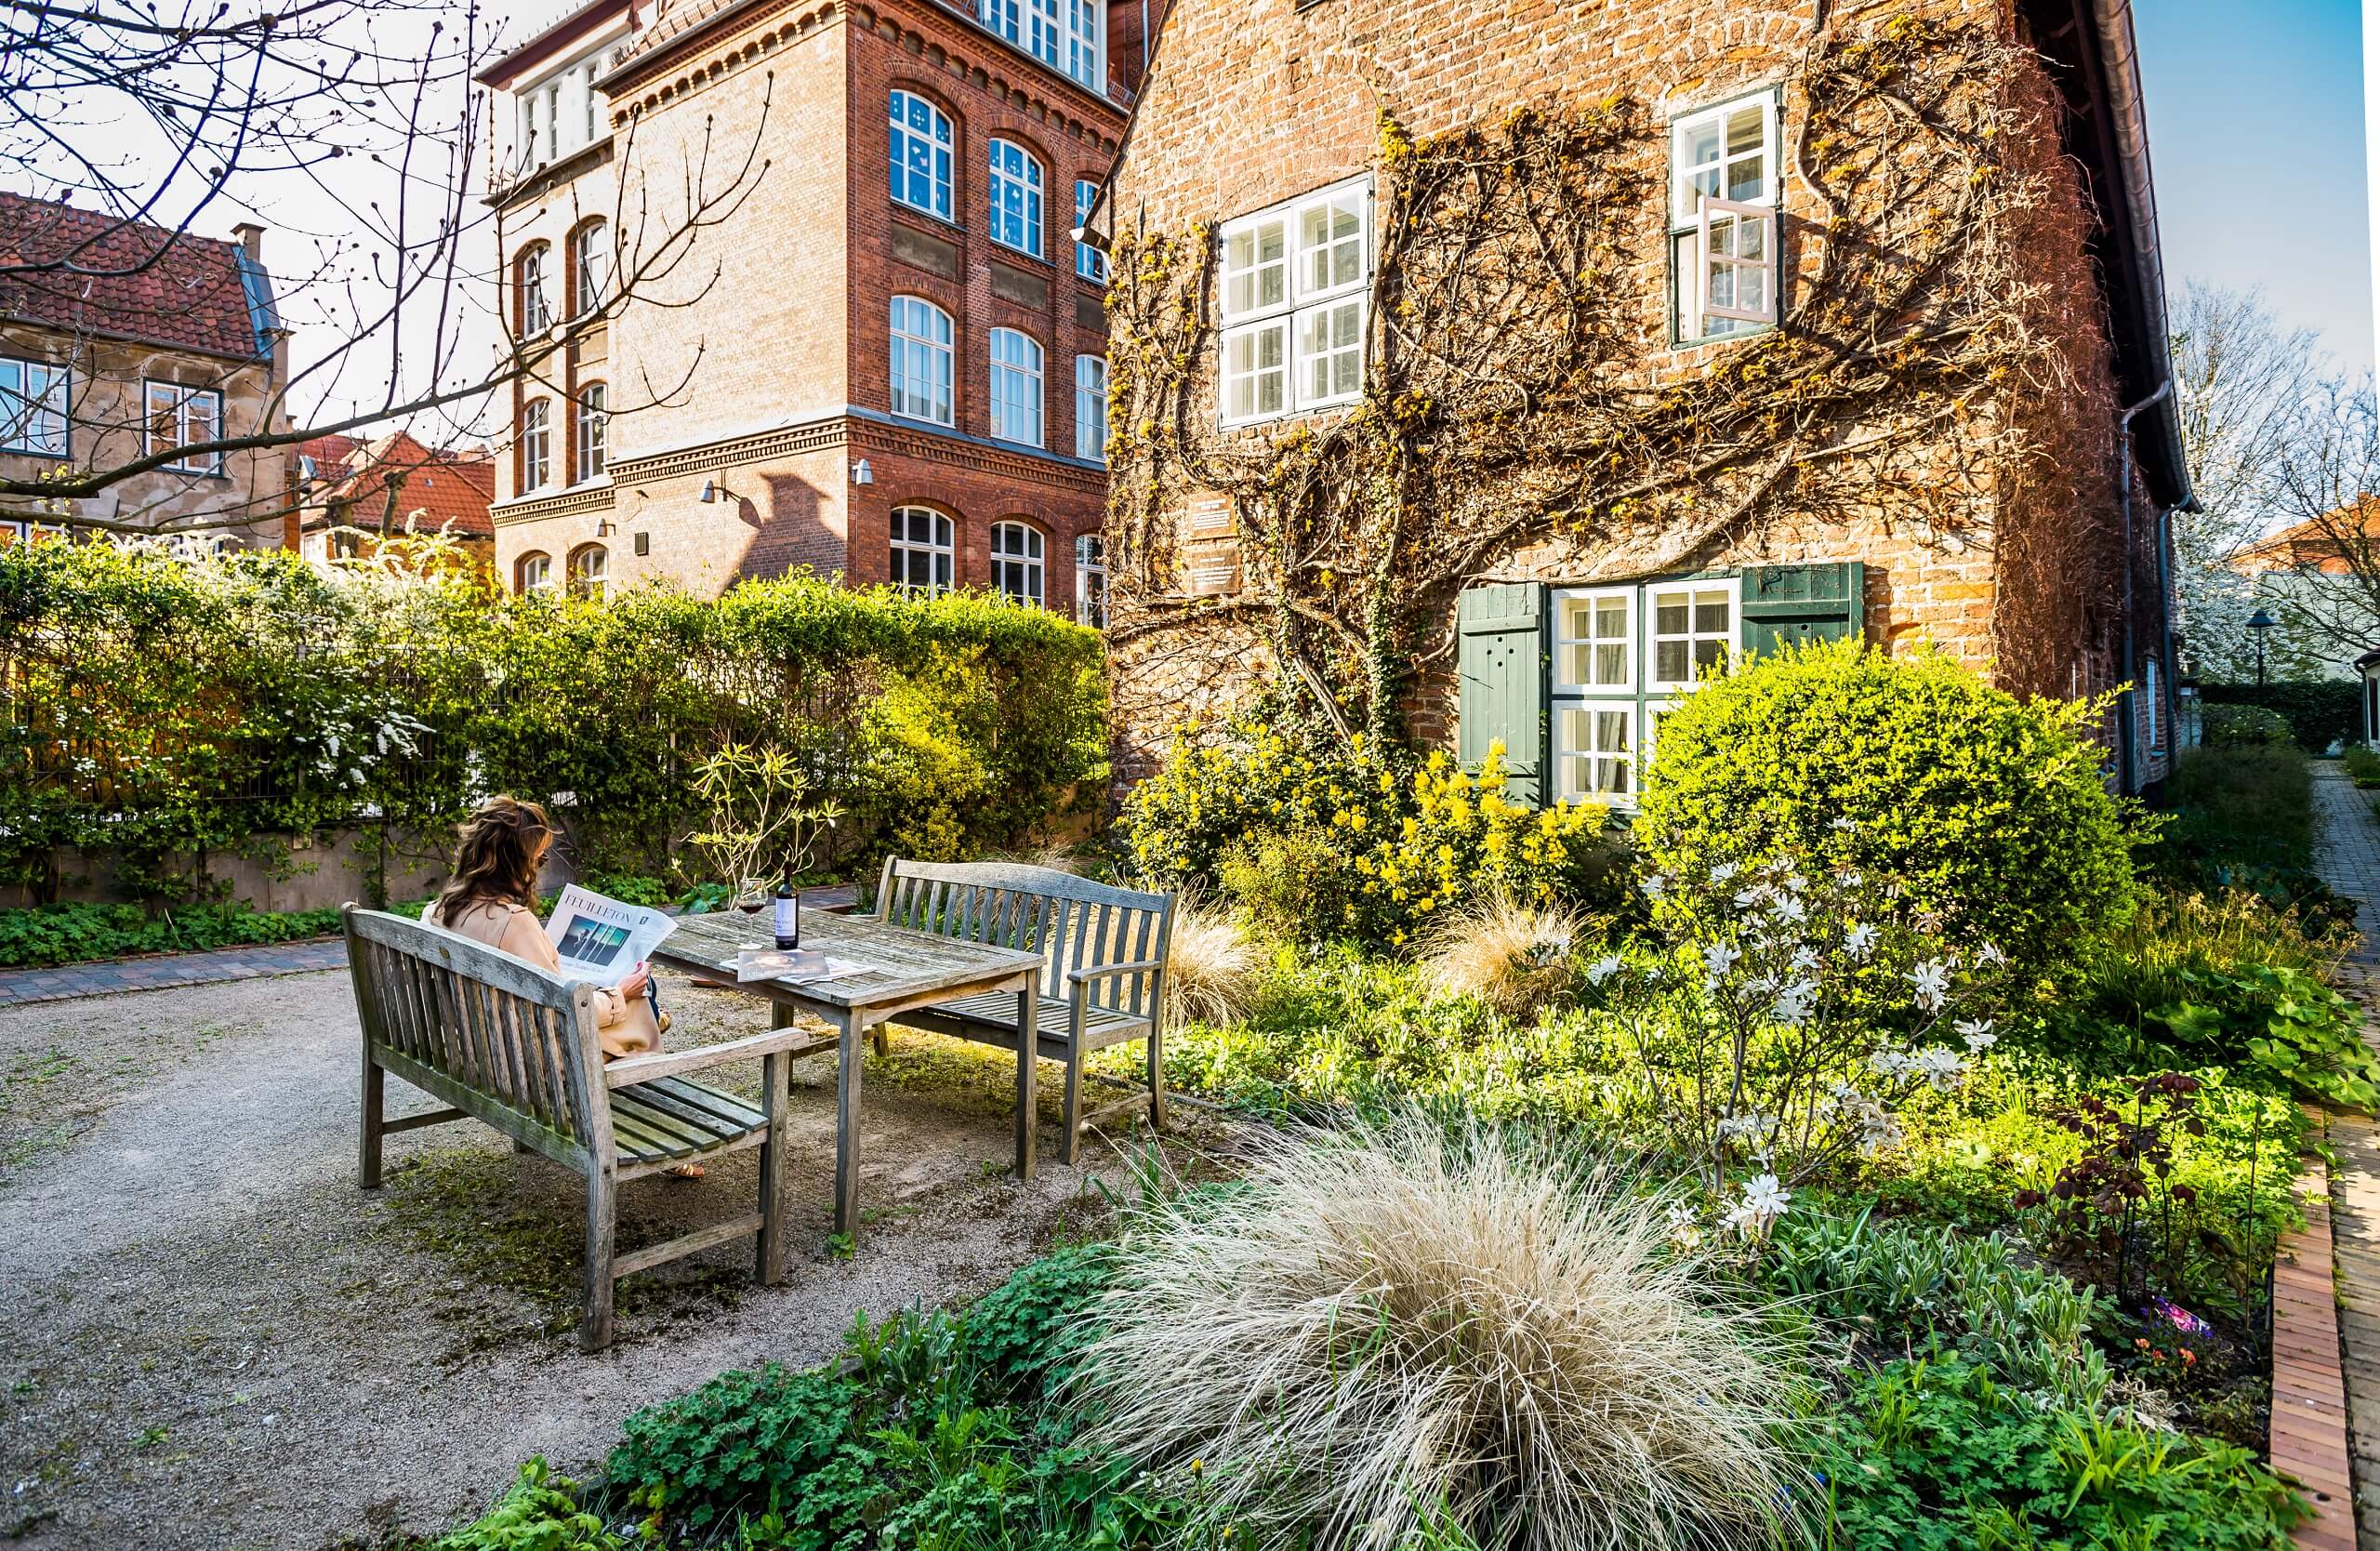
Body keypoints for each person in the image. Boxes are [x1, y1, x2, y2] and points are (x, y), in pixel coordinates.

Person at [427, 797, 698, 1173]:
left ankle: (650, 1016)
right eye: (538, 859)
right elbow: (561, 1017)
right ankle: (666, 1133)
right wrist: (620, 995)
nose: (539, 868)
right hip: (536, 1068)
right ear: (512, 862)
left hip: (480, 1051)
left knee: (623, 993)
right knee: (639, 990)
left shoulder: (441, 910)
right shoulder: (514, 922)